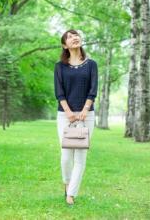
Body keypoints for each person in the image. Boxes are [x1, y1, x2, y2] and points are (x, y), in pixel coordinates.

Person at [54, 29, 98, 205]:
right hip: (65, 115)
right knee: (66, 156)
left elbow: (93, 89)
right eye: (69, 37)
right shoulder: (60, 67)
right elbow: (59, 92)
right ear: (65, 45)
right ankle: (66, 183)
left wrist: (85, 110)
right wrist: (69, 112)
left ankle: (71, 194)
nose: (74, 38)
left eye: (76, 35)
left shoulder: (91, 64)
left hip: (87, 115)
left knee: (80, 156)